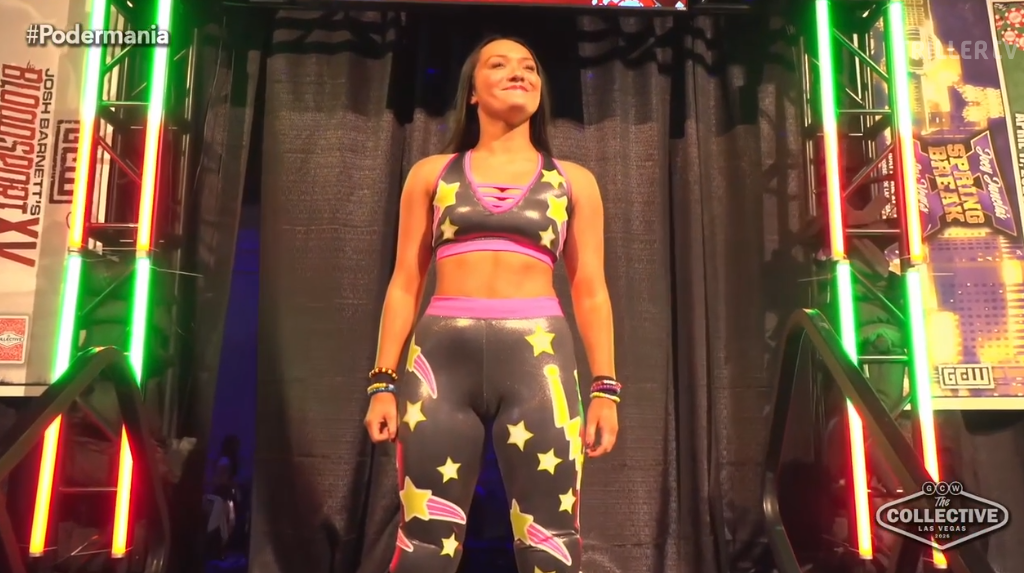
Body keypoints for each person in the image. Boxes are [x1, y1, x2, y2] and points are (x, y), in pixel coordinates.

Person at [362, 37, 620, 573]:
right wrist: (382, 382)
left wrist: (605, 390)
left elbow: (591, 288)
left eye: (529, 67)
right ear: (472, 93)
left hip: (539, 365)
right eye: (499, 65)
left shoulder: (574, 182)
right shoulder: (431, 174)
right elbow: (405, 282)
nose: (518, 73)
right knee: (424, 540)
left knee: (552, 540)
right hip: (438, 366)